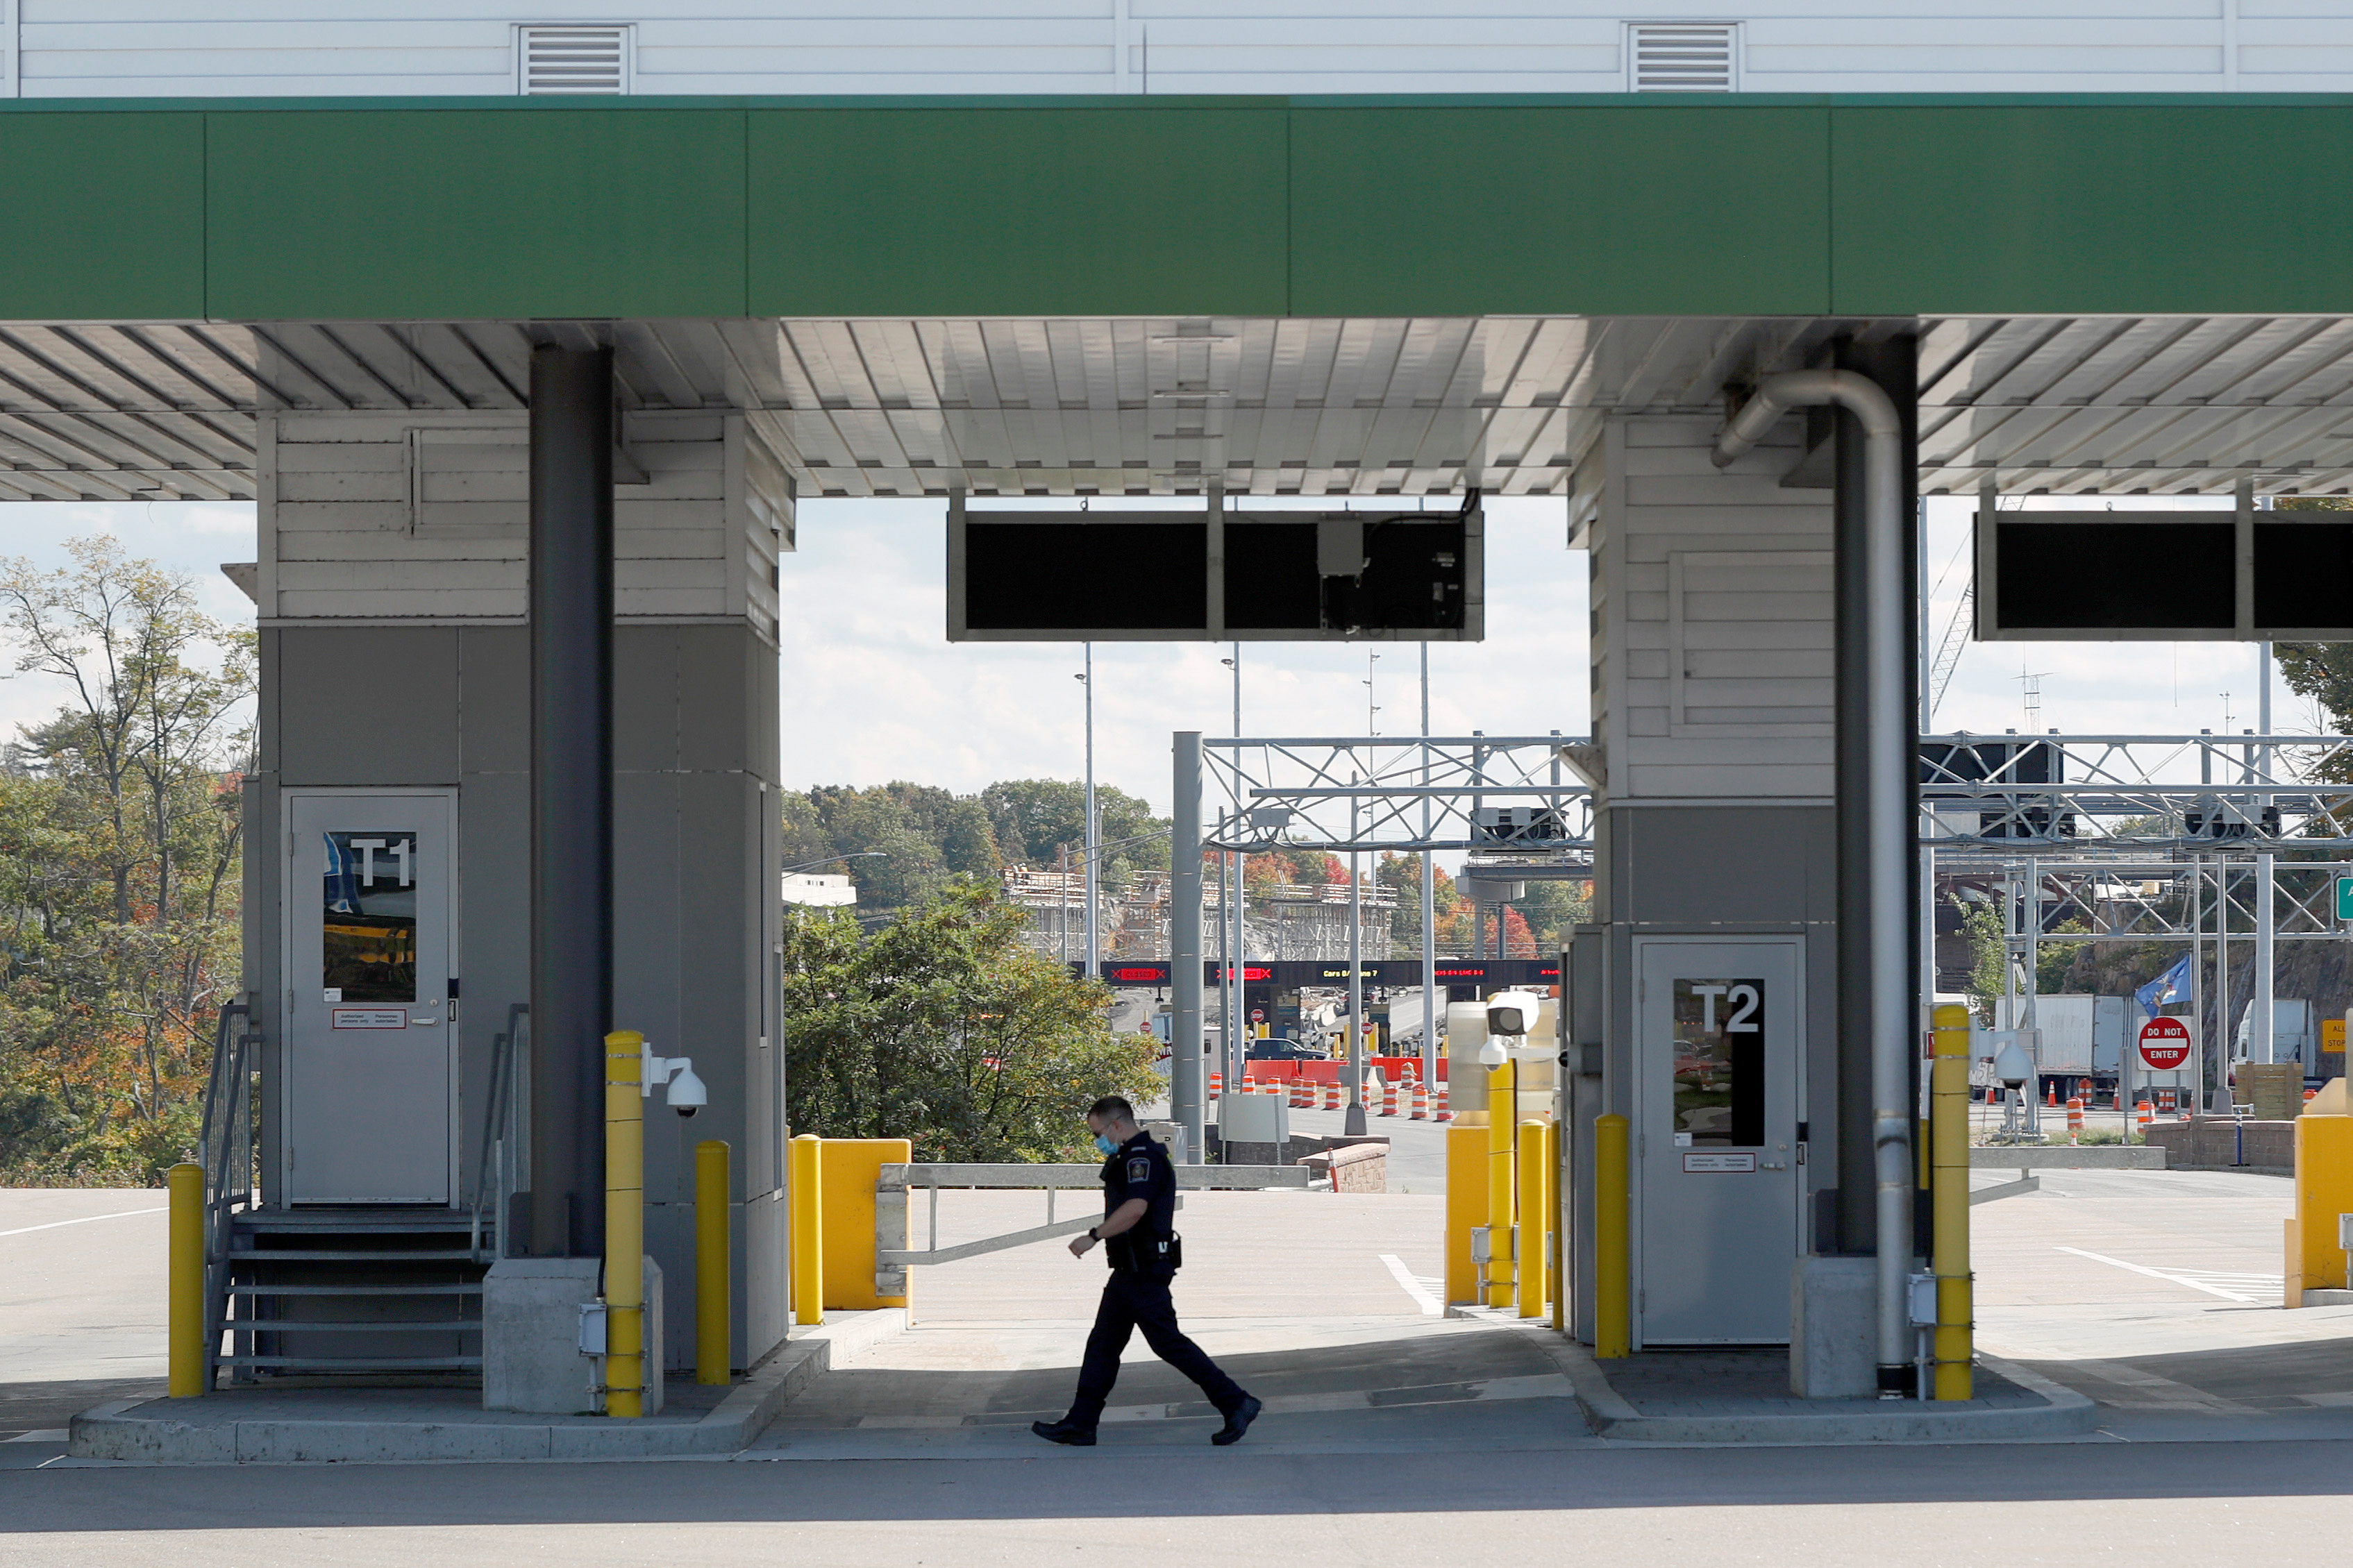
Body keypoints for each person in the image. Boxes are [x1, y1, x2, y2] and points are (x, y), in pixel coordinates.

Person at [1031, 1095, 1262, 1447]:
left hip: (1144, 1270)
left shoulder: (1143, 1158)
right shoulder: (1129, 1155)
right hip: (1129, 1269)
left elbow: (1136, 1209)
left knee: (1167, 1343)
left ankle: (1235, 1401)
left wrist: (1093, 1236)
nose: (1098, 1141)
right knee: (1103, 1345)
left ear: (1117, 1125)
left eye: (1098, 1133)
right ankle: (1081, 1422)